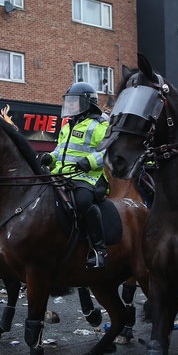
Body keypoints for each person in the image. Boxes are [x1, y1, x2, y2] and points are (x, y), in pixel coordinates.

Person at [40, 81, 111, 268]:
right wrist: (49, 158)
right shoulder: (67, 125)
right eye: (68, 101)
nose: (69, 105)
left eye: (74, 101)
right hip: (61, 176)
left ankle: (99, 249)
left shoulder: (99, 125)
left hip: (88, 178)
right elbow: (60, 151)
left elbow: (110, 152)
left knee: (82, 201)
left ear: (87, 102)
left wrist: (90, 162)